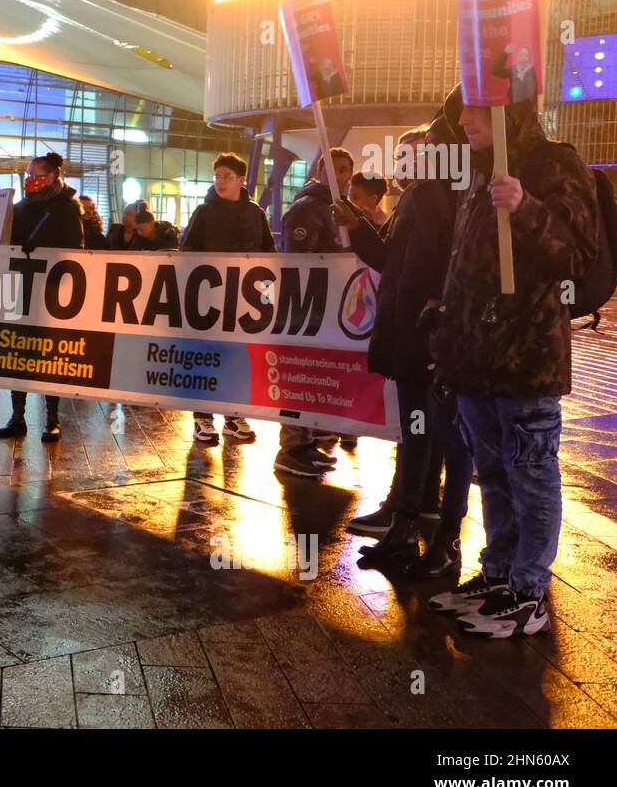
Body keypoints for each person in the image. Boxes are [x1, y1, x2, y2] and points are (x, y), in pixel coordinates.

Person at [426, 91, 598, 637]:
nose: (465, 121)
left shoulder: (554, 162)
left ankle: (529, 590)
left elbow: (574, 251)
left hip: (527, 359)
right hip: (478, 359)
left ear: (509, 112)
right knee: (494, 473)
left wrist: (525, 207)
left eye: (476, 110)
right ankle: (498, 573)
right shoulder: (477, 172)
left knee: (531, 474)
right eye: (462, 112)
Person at [331, 114, 472, 578]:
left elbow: (423, 269)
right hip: (415, 334)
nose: (405, 161)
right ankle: (412, 512)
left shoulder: (436, 197)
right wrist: (353, 222)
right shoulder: (427, 196)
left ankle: (411, 517)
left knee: (423, 428)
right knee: (421, 428)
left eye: (417, 150)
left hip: (422, 337)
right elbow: (391, 259)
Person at [178, 152, 275, 445]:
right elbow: (187, 253)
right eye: (217, 176)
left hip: (244, 299)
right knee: (206, 355)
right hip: (208, 297)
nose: (220, 181)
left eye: (226, 176)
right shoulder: (204, 213)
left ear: (241, 180)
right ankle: (203, 417)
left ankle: (233, 415)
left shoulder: (255, 213)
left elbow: (268, 252)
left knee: (237, 356)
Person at [273, 146, 353, 476]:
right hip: (306, 309)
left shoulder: (338, 209)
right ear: (320, 172)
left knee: (310, 376)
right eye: (332, 170)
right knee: (295, 374)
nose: (340, 176)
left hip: (328, 307)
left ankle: (304, 441)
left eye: (345, 170)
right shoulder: (307, 209)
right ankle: (291, 447)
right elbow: (299, 262)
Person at [0, 152, 83, 443]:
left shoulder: (68, 209)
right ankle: (17, 416)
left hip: (52, 291)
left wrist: (45, 251)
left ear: (54, 177)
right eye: (28, 176)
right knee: (17, 351)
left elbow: (75, 250)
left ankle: (52, 419)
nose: (31, 182)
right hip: (22, 286)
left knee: (49, 354)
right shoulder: (20, 208)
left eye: (37, 176)